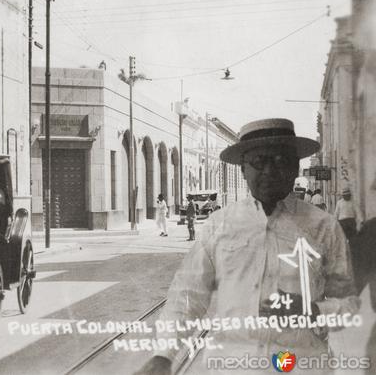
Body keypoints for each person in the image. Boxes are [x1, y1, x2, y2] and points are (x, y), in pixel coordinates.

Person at [135, 119, 359, 375]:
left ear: (296, 166)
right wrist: (164, 355)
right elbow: (187, 295)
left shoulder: (324, 227)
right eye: (258, 162)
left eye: (280, 160)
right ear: (243, 170)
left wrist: (312, 310)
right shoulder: (219, 225)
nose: (269, 171)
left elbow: (351, 306)